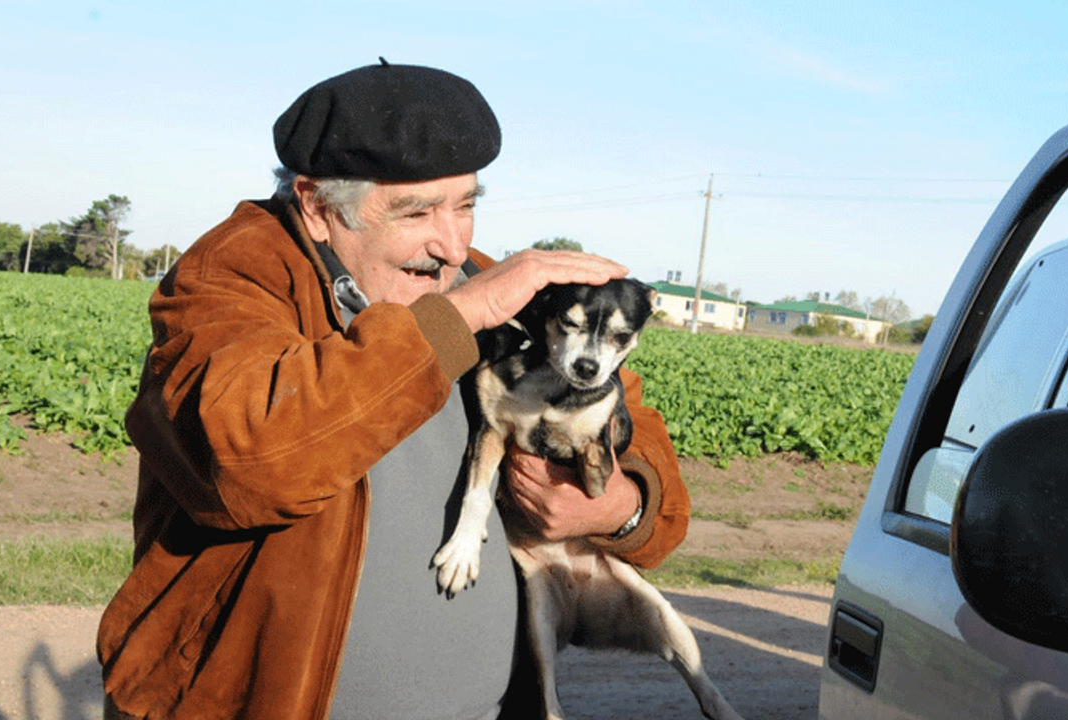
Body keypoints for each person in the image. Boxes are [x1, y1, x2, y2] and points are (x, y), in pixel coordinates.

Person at [97, 61, 692, 720]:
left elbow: (630, 419)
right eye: (417, 211)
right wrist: (457, 320)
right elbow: (249, 462)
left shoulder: (474, 281)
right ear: (319, 207)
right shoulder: (232, 280)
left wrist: (616, 506)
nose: (452, 244)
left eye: (466, 205)